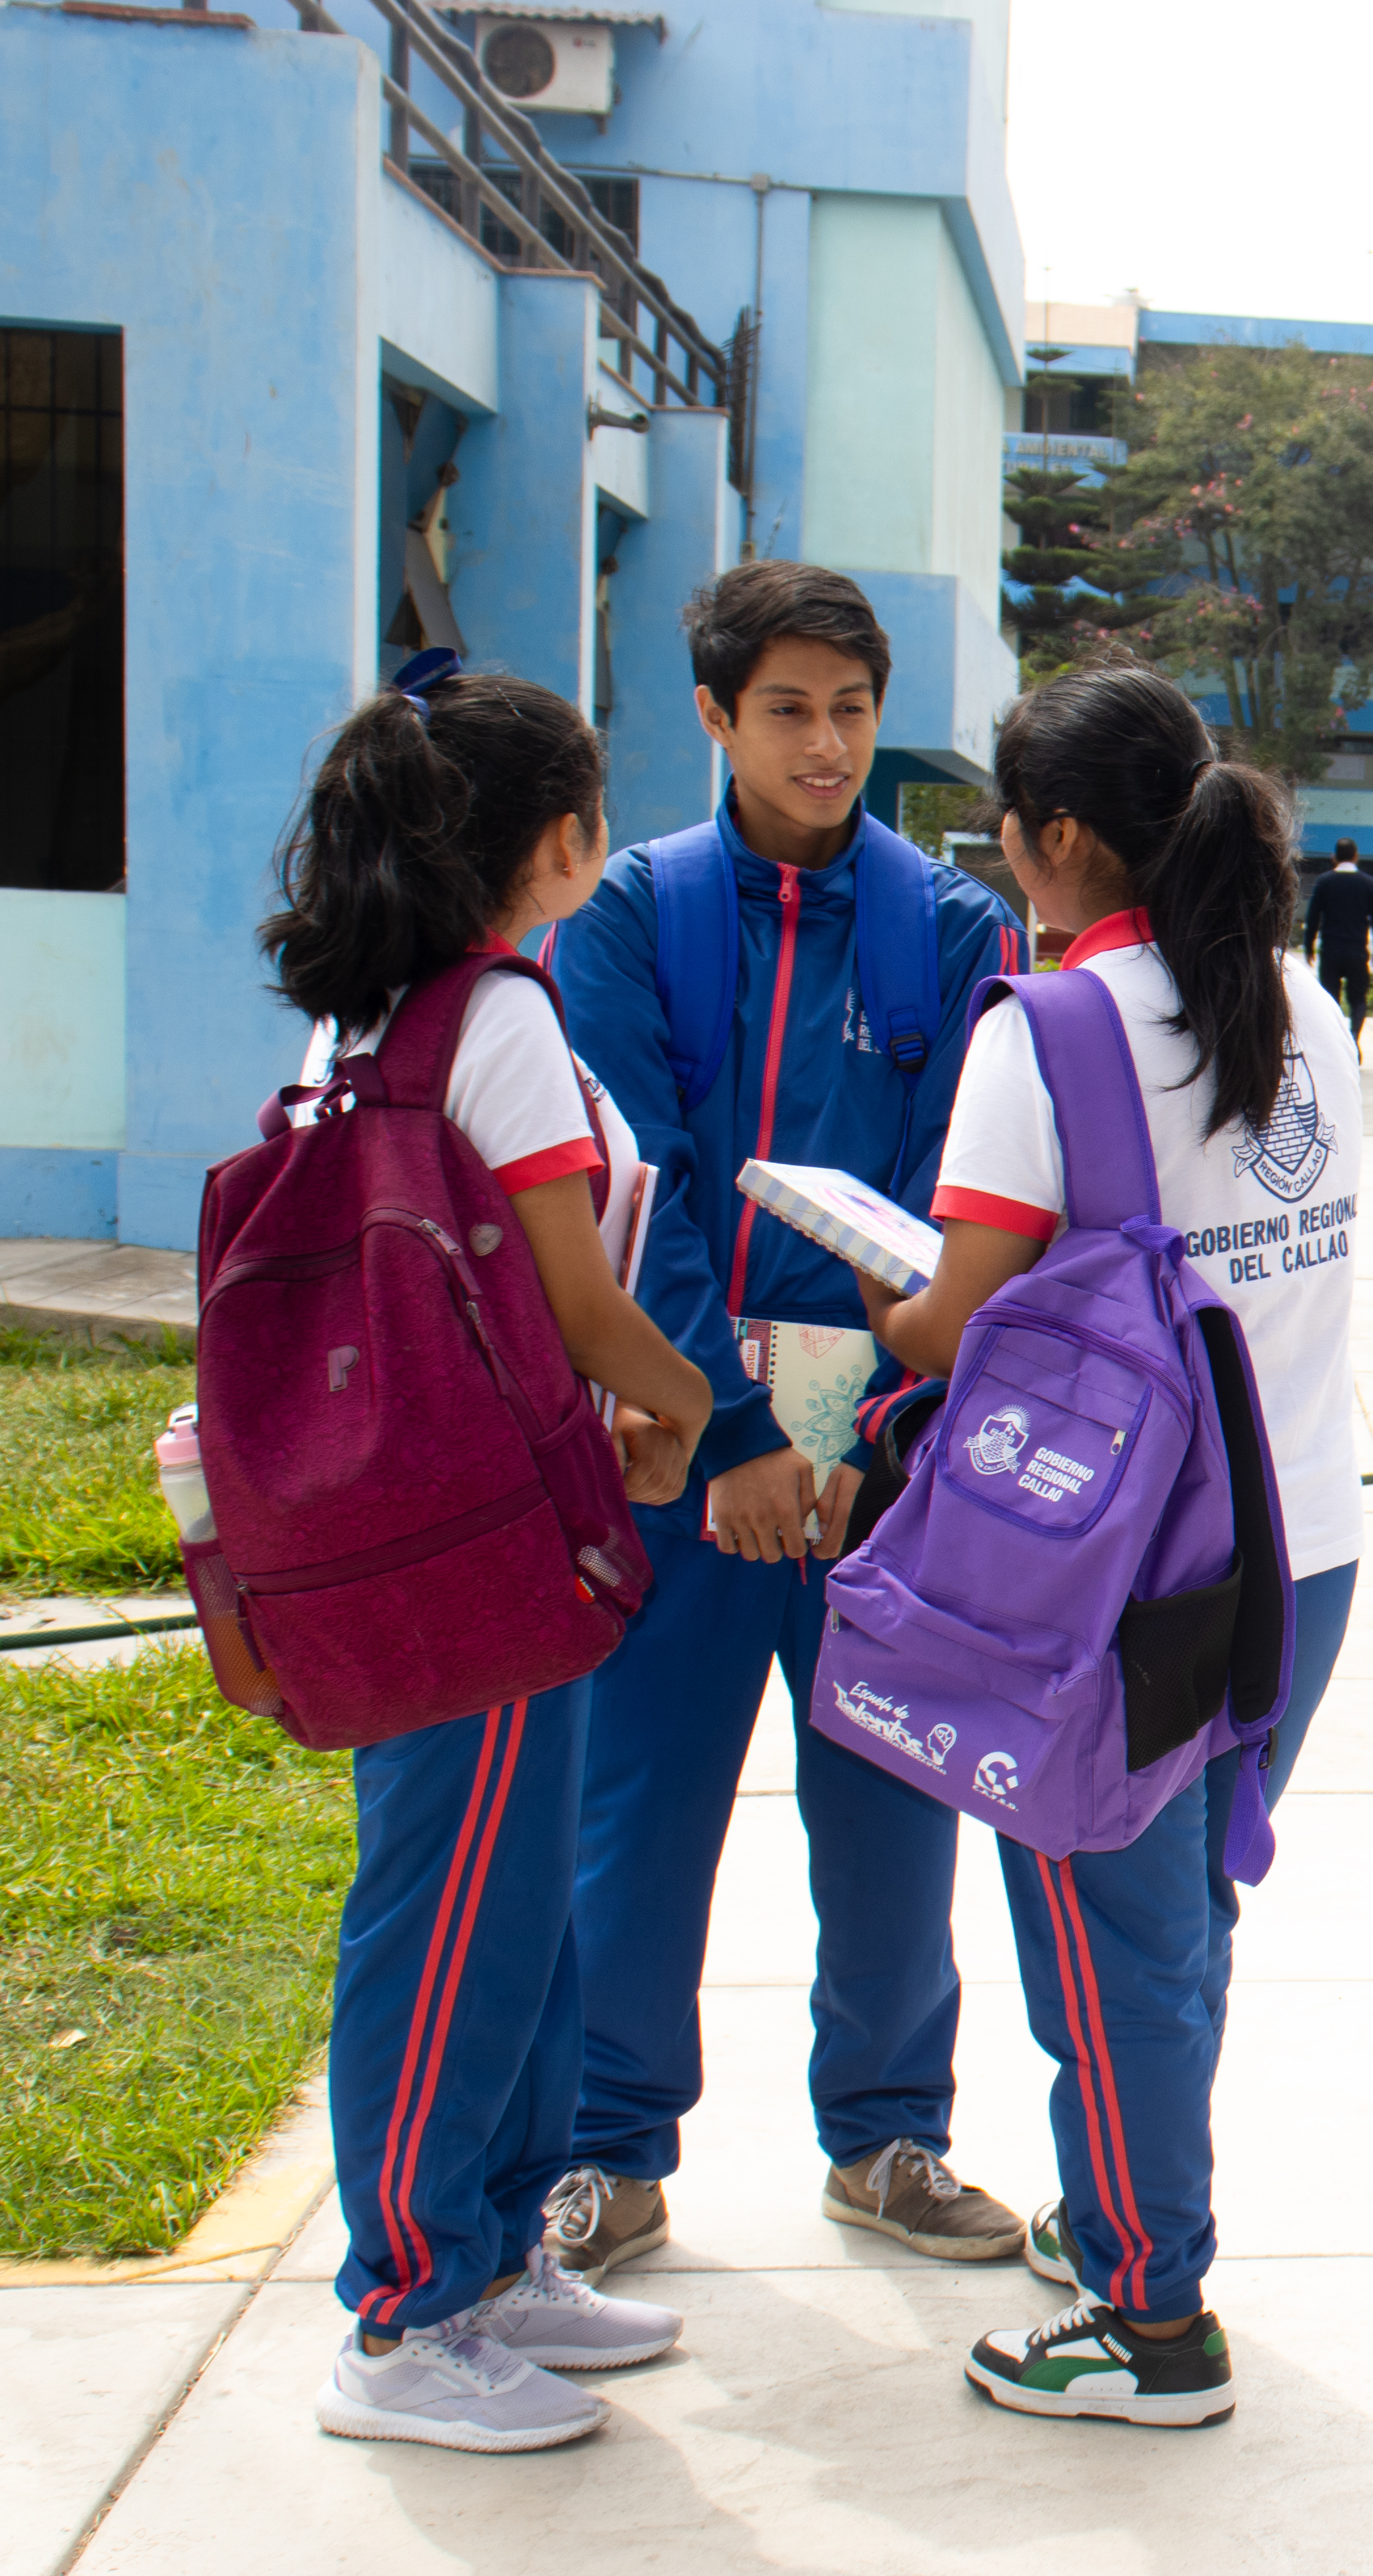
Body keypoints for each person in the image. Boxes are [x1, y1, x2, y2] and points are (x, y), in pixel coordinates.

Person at [853, 664, 1366, 2426]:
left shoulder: (1051, 1030)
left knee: (1105, 1946)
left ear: (1058, 839)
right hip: (1306, 1556)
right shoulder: (1300, 1000)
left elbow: (956, 1332)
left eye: (1010, 833)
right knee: (1177, 1919)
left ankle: (1152, 2319)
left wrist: (881, 1290)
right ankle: (1134, 2225)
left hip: (1131, 1581)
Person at [531, 563, 1031, 2280]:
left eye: (852, 710)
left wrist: (860, 1429)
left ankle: (888, 2136)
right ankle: (607, 2151)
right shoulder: (629, 918)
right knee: (640, 1797)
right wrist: (732, 1431)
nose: (826, 746)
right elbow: (633, 1186)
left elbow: (955, 1203)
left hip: (874, 1453)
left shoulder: (955, 931)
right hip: (675, 1437)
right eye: (789, 711)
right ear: (714, 718)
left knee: (892, 1794)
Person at [262, 662, 721, 2451]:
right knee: (452, 1913)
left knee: (507, 1903)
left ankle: (499, 2249)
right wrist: (692, 1415)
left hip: (438, 1519)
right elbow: (578, 1295)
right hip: (484, 1540)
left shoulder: (375, 1015)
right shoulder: (498, 1017)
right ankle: (405, 2315)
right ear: (560, 845)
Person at [1303, 836, 1373, 1037]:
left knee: (1330, 1001)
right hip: (1357, 951)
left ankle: (1338, 1040)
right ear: (1356, 857)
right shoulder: (1368, 884)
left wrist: (1308, 947)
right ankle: (1354, 1038)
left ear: (1334, 858)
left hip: (1330, 951)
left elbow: (1313, 917)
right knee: (1358, 1000)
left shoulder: (1324, 882)